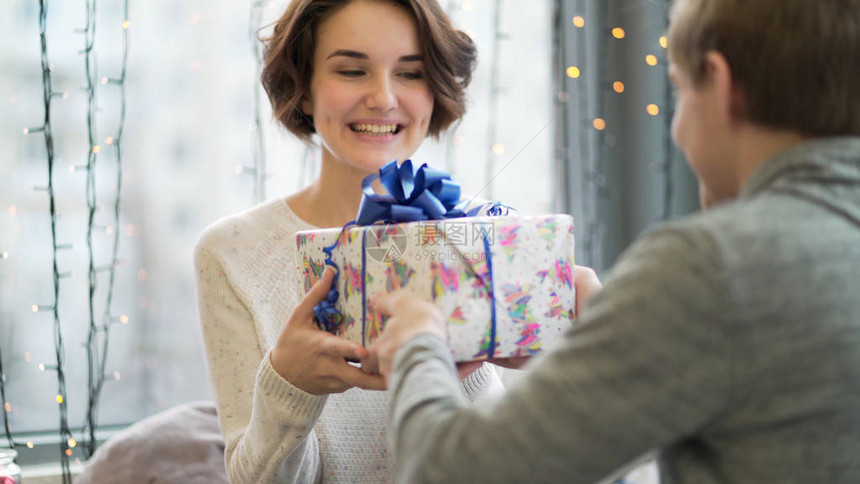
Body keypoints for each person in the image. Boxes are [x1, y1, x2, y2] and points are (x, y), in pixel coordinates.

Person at [361, 0, 860, 482]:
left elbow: (447, 472)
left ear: (723, 84)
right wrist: (609, 341)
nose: (679, 131)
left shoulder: (713, 265)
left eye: (681, 93)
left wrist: (416, 342)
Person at [193, 0, 505, 482]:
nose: (383, 98)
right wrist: (290, 387)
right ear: (303, 90)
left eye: (410, 73)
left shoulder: (481, 233)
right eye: (352, 71)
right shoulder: (232, 252)